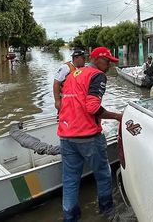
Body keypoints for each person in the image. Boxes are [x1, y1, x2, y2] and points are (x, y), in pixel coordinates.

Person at [57, 46, 123, 222]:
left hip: (66, 135)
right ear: (97, 59)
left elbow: (66, 101)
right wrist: (117, 116)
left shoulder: (73, 74)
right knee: (102, 173)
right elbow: (92, 107)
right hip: (87, 136)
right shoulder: (97, 75)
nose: (109, 65)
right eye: (107, 61)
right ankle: (107, 210)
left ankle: (70, 217)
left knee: (70, 179)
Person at [53, 48, 87, 114]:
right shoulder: (65, 68)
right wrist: (57, 101)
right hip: (66, 100)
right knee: (64, 119)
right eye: (83, 58)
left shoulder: (83, 68)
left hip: (77, 100)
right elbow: (56, 84)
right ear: (76, 58)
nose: (85, 60)